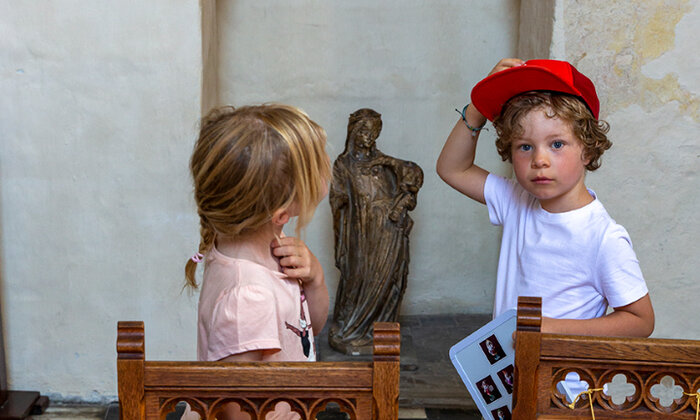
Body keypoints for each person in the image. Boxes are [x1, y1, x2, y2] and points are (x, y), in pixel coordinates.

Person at [437, 58, 654, 337]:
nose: (539, 160)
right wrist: (478, 108)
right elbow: (453, 168)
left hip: (562, 380)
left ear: (587, 151)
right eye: (525, 146)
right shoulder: (516, 202)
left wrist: (547, 329)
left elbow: (641, 321)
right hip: (512, 377)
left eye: (557, 144)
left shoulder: (603, 237)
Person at [183, 104, 332, 419]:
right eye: (318, 164)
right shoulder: (248, 298)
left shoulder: (266, 247)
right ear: (280, 214)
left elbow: (308, 330)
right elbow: (232, 411)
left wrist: (315, 279)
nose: (328, 166)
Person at [328, 108, 423, 354]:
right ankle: (350, 330)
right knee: (358, 279)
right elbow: (338, 202)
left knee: (387, 279)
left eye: (374, 132)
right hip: (360, 236)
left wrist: (390, 164)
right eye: (364, 131)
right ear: (354, 132)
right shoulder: (344, 164)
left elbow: (413, 174)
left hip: (388, 234)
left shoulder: (385, 164)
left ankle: (378, 329)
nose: (369, 137)